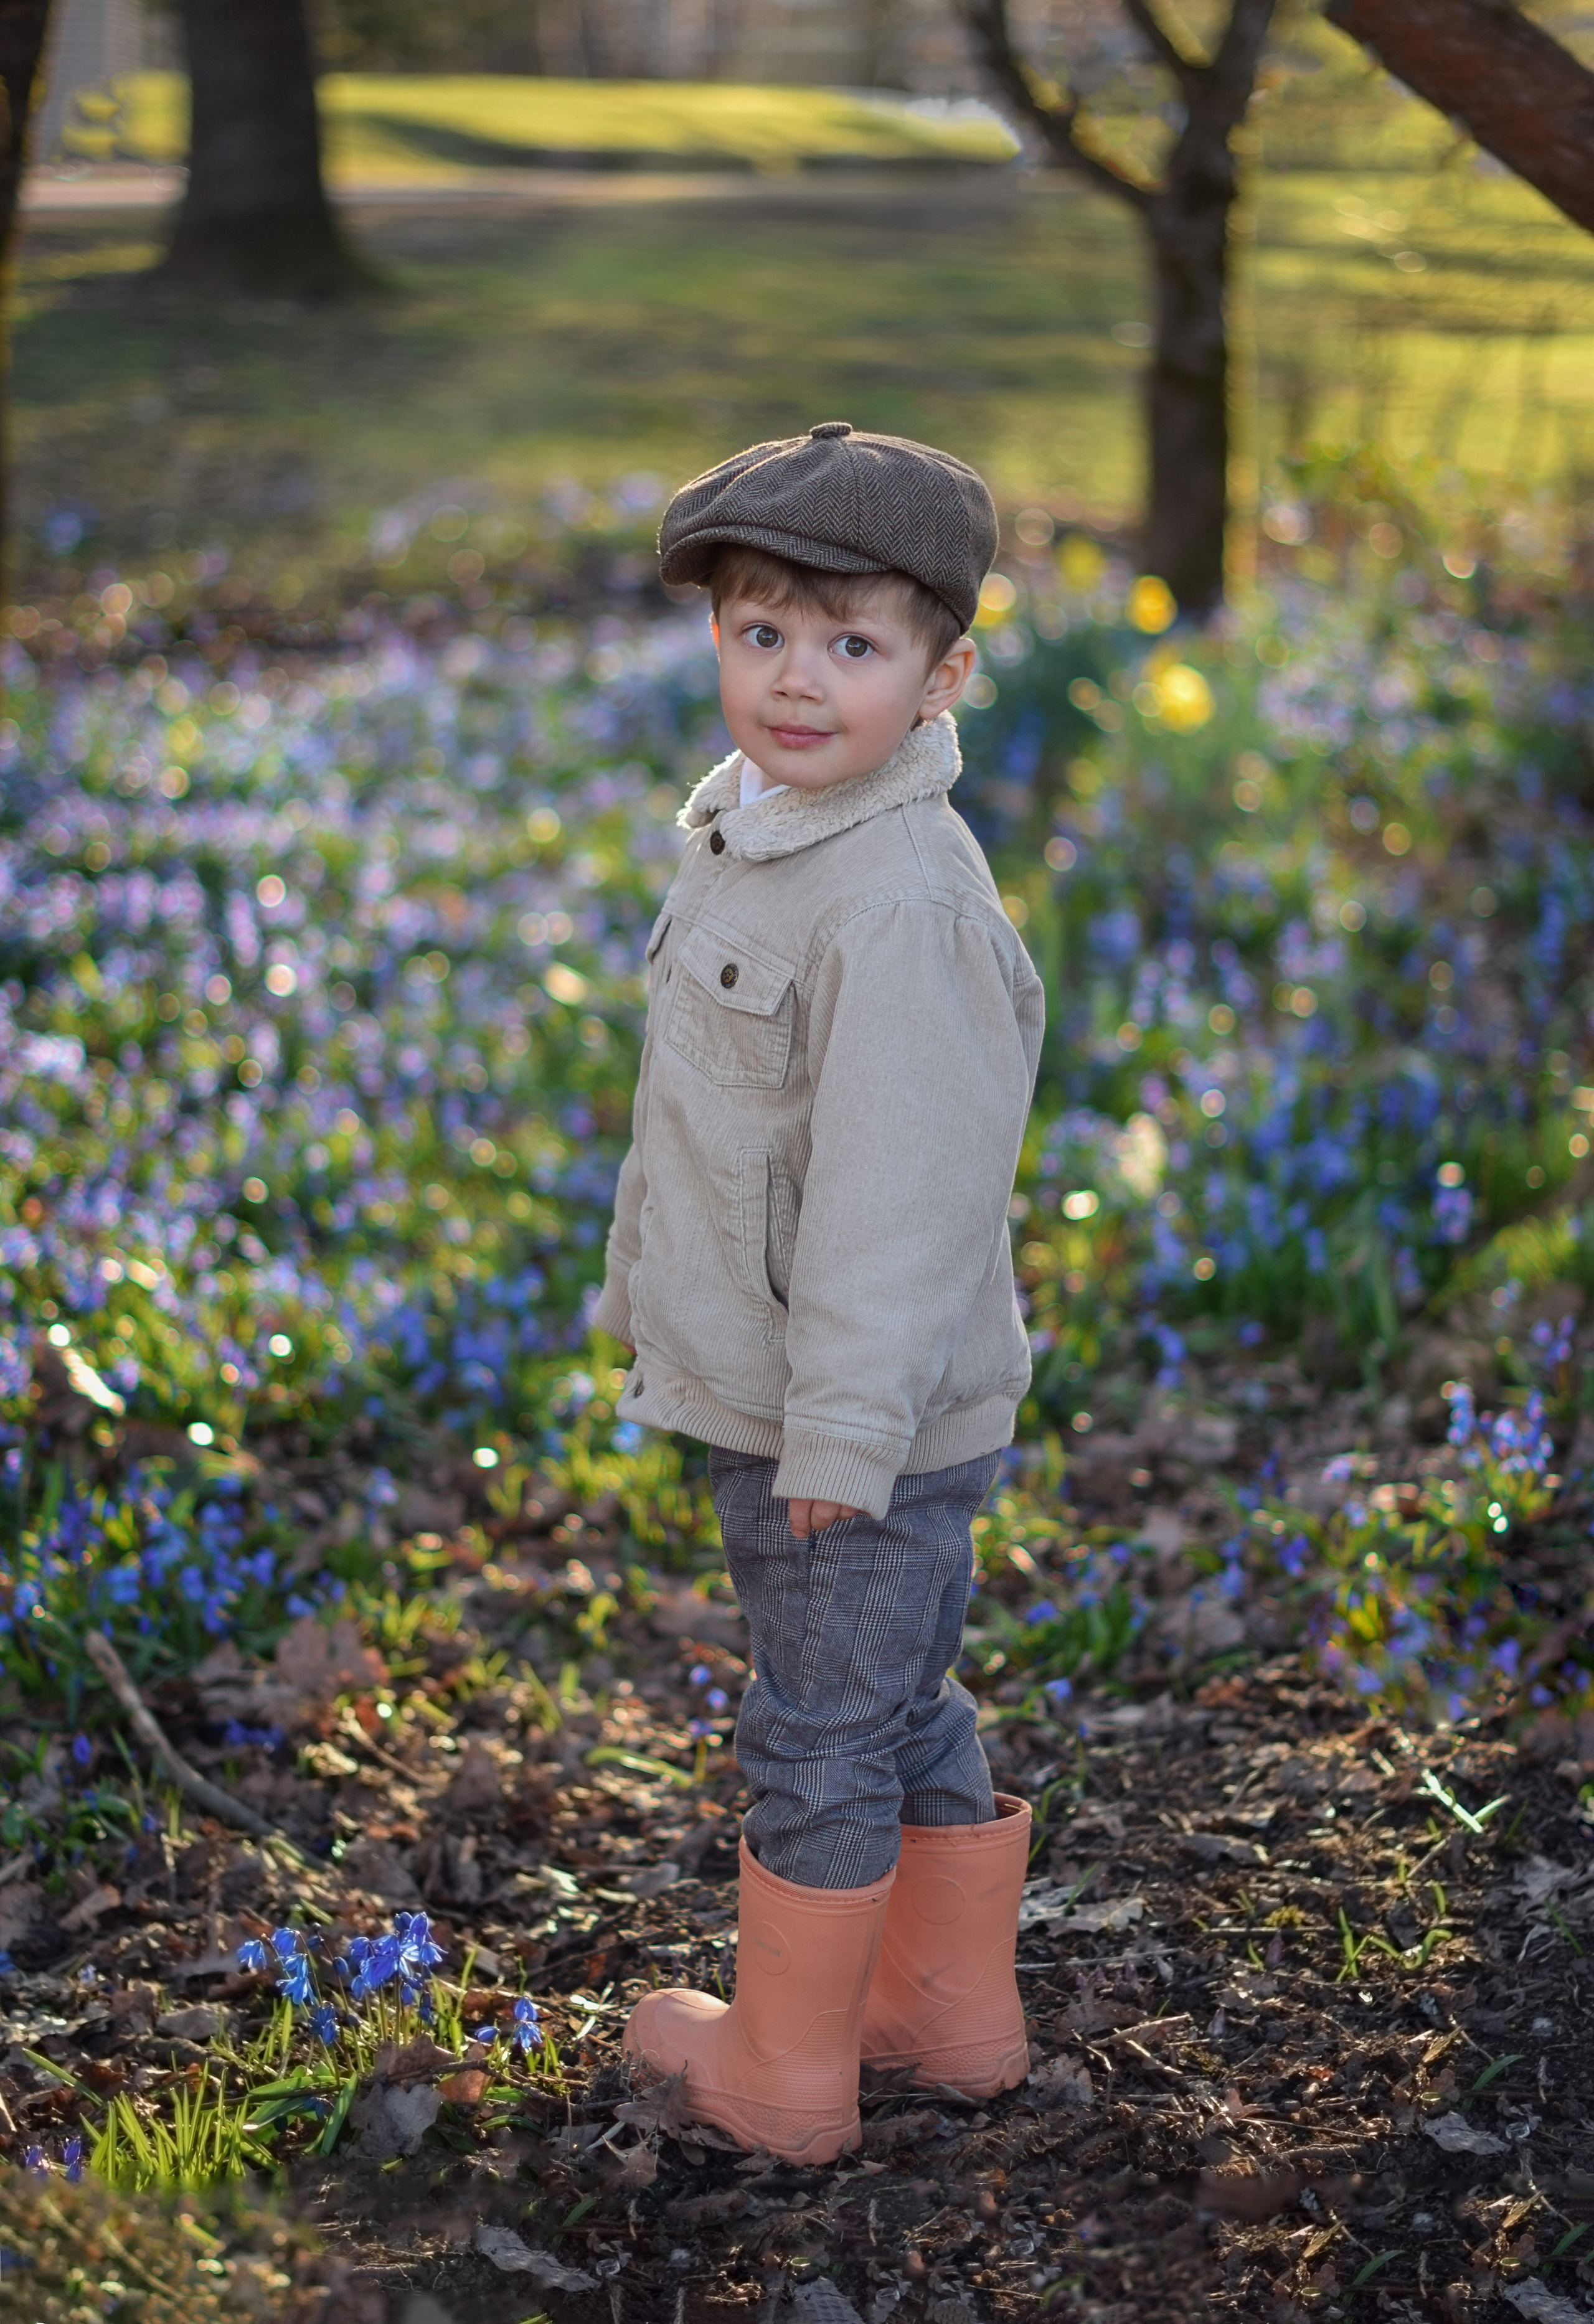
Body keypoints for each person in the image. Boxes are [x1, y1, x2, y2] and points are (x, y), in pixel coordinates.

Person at [593, 421, 1045, 2165]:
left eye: (854, 645)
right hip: (784, 1395)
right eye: (761, 631)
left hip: (850, 1424)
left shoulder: (900, 900)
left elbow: (898, 1209)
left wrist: (843, 1434)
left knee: (818, 1733)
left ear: (945, 676)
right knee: (892, 1698)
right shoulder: (764, 831)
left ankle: (783, 2080)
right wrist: (649, 1298)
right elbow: (717, 1129)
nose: (797, 680)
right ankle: (945, 2018)